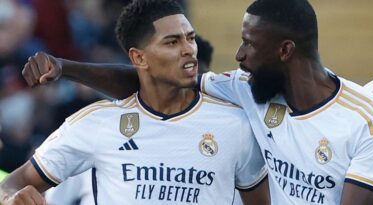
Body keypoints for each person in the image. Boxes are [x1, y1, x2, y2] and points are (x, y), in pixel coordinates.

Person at [21, 0, 373, 204]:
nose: (239, 55)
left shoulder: (368, 122)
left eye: (249, 44)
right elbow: (151, 81)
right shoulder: (247, 89)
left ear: (285, 50)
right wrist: (65, 68)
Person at [0, 0, 270, 204]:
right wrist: (12, 197)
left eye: (189, 38)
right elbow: (11, 183)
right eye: (172, 42)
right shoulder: (96, 123)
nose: (189, 48)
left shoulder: (235, 125)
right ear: (139, 58)